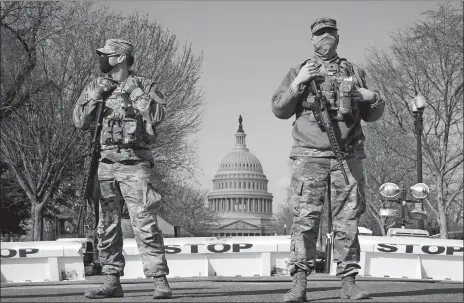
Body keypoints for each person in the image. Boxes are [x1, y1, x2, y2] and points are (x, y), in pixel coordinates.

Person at [271, 18, 385, 302]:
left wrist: (372, 97)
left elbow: (374, 113)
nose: (325, 38)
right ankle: (298, 283)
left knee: (347, 221)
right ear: (312, 39)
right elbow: (279, 109)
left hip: (347, 156)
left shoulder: (355, 72)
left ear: (337, 36)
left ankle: (348, 282)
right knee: (305, 220)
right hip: (309, 157)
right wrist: (299, 82)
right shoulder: (299, 70)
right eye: (319, 34)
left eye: (329, 33)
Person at [73, 38, 171, 299]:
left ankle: (160, 281)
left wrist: (134, 91)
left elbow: (158, 115)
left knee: (146, 224)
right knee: (107, 225)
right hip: (105, 165)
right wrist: (96, 95)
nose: (103, 59)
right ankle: (111, 281)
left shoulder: (144, 84)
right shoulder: (95, 85)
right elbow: (79, 121)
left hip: (136, 165)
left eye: (108, 55)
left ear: (121, 57)